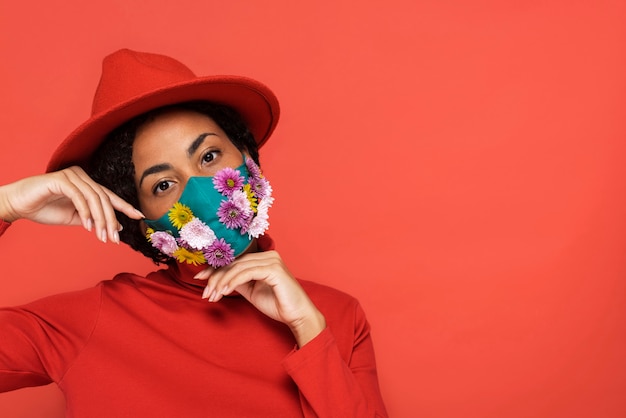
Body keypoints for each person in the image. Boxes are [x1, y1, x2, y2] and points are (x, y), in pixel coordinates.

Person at [0, 49, 388, 417]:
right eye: (163, 185)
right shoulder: (87, 322)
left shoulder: (335, 315)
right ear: (140, 220)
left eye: (208, 156)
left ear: (248, 158)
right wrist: (5, 206)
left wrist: (309, 328)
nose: (199, 190)